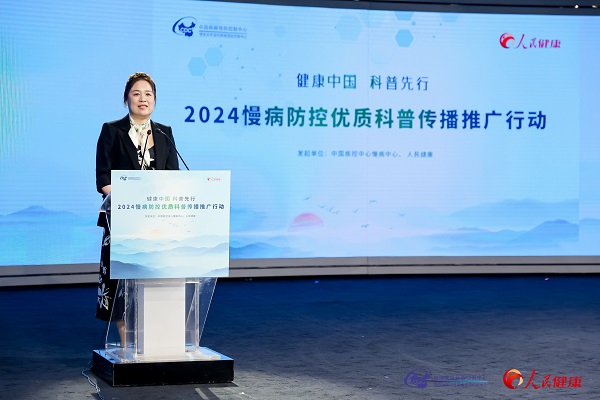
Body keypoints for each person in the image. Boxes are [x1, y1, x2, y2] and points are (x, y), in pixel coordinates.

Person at [95, 72, 179, 344]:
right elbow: (103, 178)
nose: (143, 99)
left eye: (148, 94)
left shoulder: (164, 133)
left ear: (155, 100)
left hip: (158, 221)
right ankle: (125, 344)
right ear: (126, 99)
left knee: (153, 279)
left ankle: (154, 340)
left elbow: (173, 177)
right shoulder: (112, 130)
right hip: (122, 220)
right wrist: (127, 203)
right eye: (136, 93)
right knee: (122, 282)